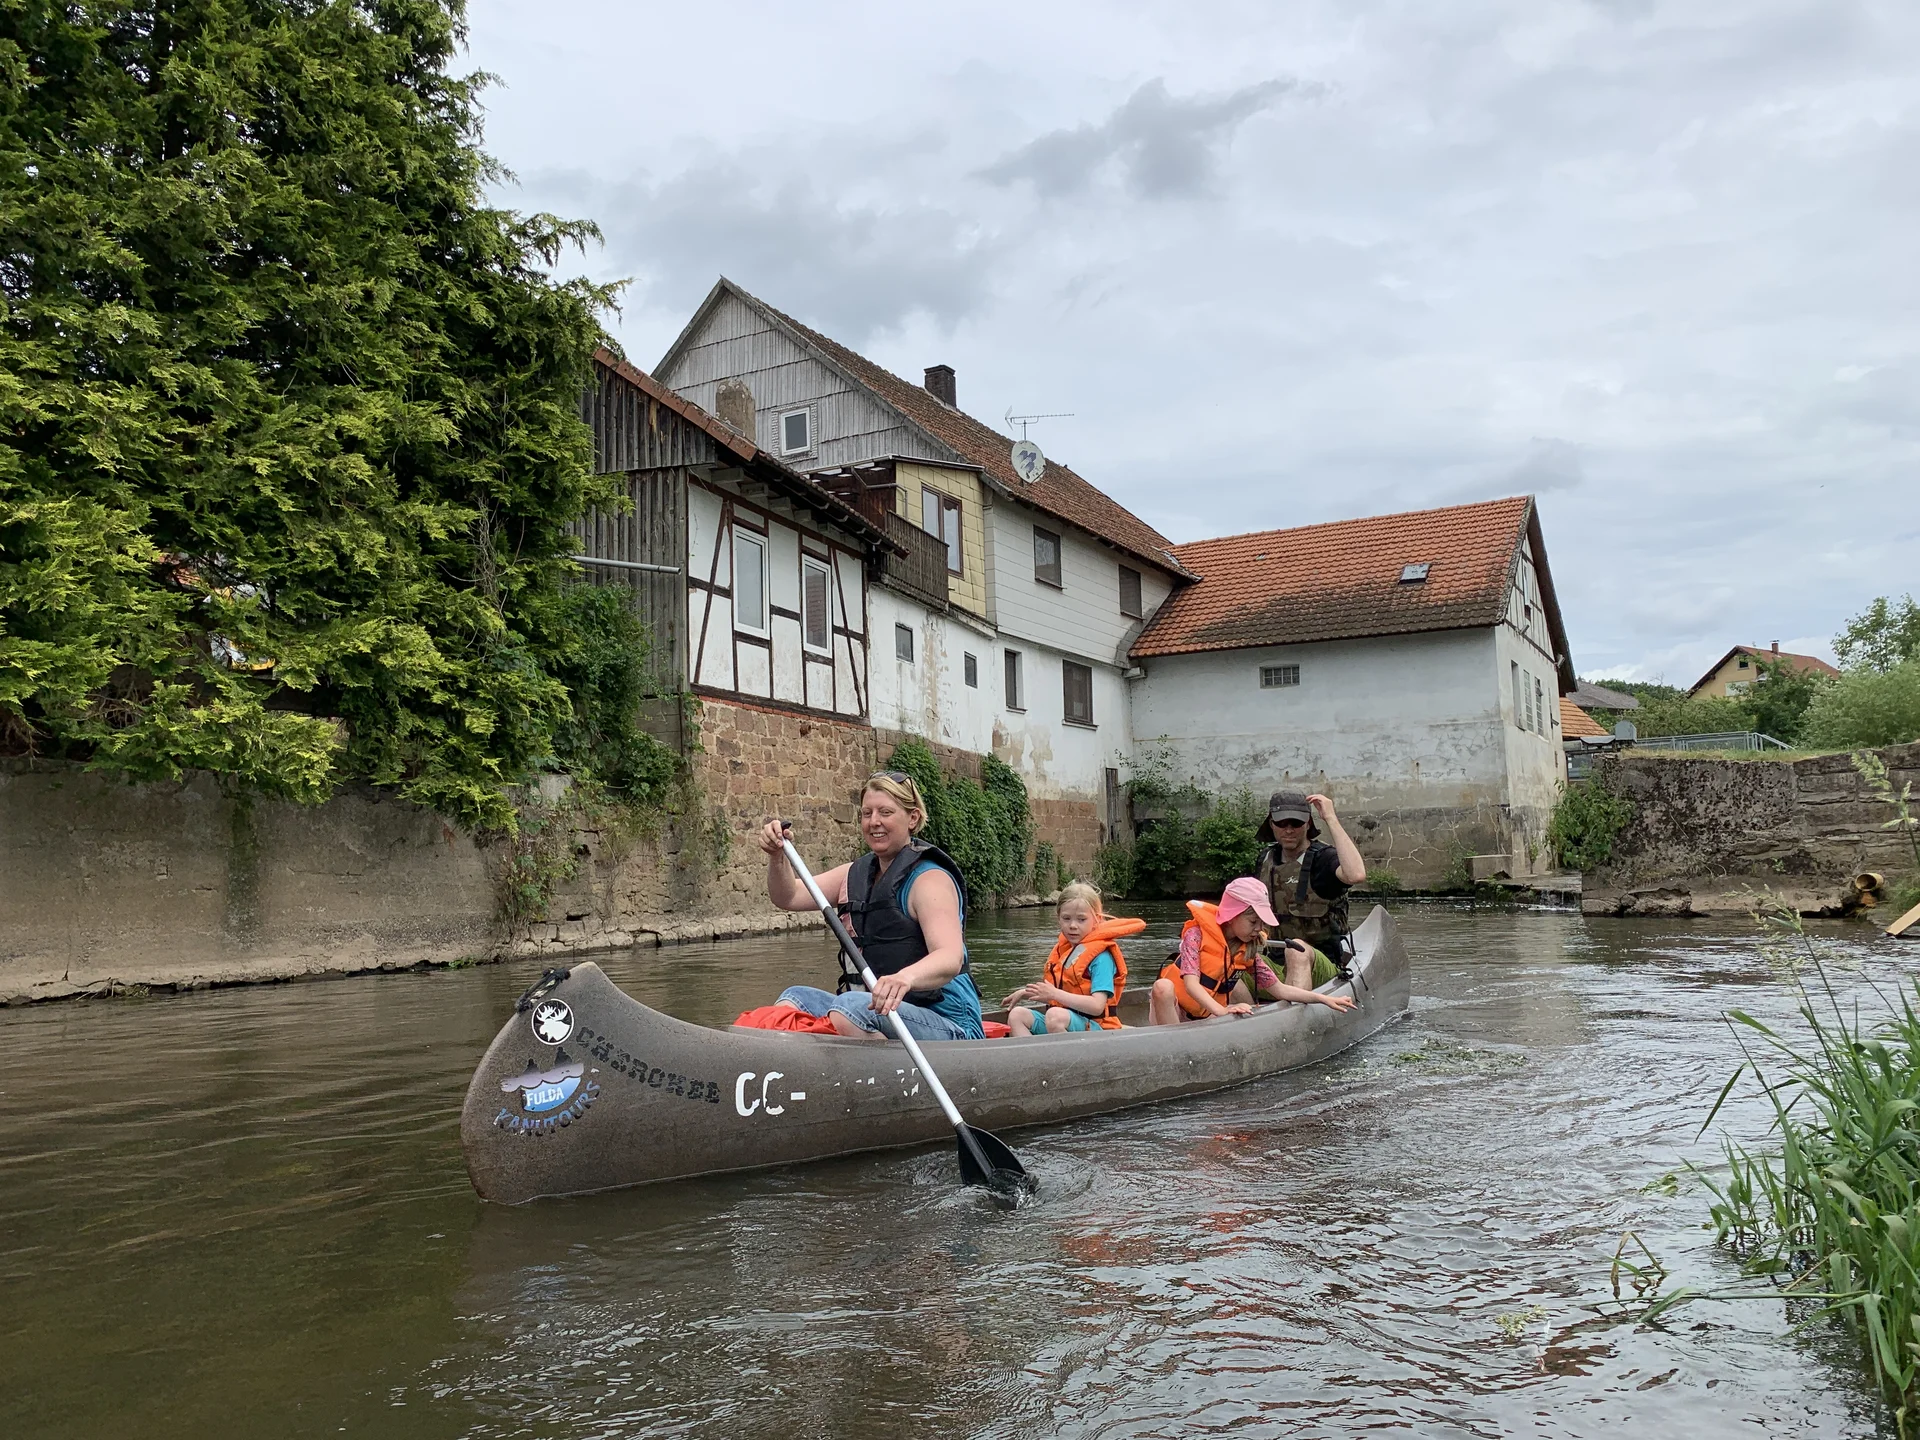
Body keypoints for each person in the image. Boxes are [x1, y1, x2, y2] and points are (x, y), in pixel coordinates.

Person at [756, 771, 984, 1042]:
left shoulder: (930, 881)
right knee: (794, 999)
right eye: (867, 813)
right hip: (882, 1011)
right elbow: (788, 896)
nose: (874, 821)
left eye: (885, 812)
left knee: (848, 1008)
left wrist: (905, 978)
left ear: (912, 818)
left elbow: (950, 958)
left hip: (950, 1024)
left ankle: (879, 1079)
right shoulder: (854, 875)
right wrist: (777, 855)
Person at [1149, 877, 1358, 1025]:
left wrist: (1324, 998)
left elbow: (1280, 990)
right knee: (1163, 986)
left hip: (1206, 1017)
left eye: (1261, 922)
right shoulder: (1196, 935)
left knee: (1236, 1010)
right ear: (1232, 916)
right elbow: (1191, 985)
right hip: (1173, 1014)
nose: (1259, 928)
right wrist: (1222, 1011)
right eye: (1253, 921)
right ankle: (1174, 1043)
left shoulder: (1247, 951)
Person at [1254, 790, 1367, 990]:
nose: (1289, 830)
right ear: (1271, 825)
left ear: (1307, 824)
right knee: (1227, 960)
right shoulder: (1265, 859)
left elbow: (1355, 875)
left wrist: (1330, 818)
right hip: (1276, 964)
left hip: (1323, 966)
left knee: (1296, 950)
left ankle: (1293, 1016)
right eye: (1281, 824)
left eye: (1296, 823)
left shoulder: (1324, 859)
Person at [1004, 882, 1145, 1035]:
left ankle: (1066, 1059)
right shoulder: (1064, 951)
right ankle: (1036, 1058)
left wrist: (1054, 994)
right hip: (1065, 1021)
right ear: (1058, 918)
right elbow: (1063, 993)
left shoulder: (1101, 957)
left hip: (1098, 1029)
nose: (1072, 925)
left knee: (1054, 1016)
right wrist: (1027, 992)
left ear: (1096, 920)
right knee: (1017, 1015)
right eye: (1066, 918)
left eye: (1081, 919)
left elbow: (1097, 1006)